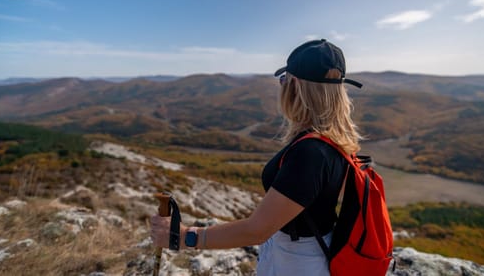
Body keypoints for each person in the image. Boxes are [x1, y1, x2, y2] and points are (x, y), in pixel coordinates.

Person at [150, 39, 363, 275]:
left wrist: (185, 236)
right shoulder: (329, 141)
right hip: (306, 254)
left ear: (296, 87)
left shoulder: (311, 153)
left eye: (284, 80)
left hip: (296, 263)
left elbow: (257, 230)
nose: (281, 87)